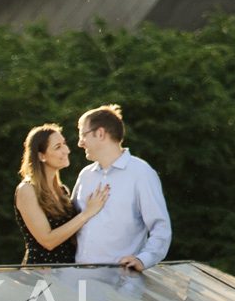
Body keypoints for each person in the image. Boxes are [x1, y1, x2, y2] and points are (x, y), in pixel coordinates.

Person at [72, 104, 171, 273]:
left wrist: (143, 259)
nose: (80, 143)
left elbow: (160, 227)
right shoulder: (85, 175)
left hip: (121, 284)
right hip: (79, 282)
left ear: (101, 133)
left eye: (83, 135)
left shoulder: (141, 173)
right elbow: (71, 223)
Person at [16, 123, 109, 266]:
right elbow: (48, 241)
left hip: (68, 274)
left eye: (64, 144)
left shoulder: (63, 191)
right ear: (41, 156)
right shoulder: (27, 190)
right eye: (57, 147)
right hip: (40, 276)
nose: (66, 150)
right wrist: (87, 213)